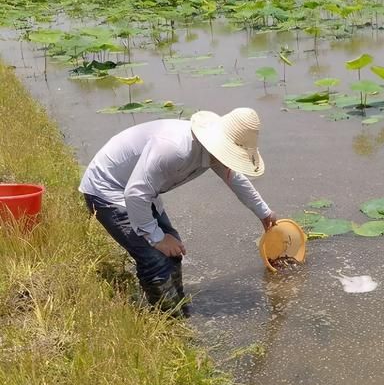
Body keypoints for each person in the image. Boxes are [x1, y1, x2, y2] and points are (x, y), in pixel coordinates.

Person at [79, 108, 277, 317]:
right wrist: (157, 238)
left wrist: (264, 212)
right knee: (155, 258)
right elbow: (135, 195)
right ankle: (166, 322)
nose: (231, 161)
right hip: (108, 191)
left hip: (141, 189)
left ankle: (178, 307)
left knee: (173, 251)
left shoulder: (212, 152)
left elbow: (234, 178)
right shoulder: (175, 150)